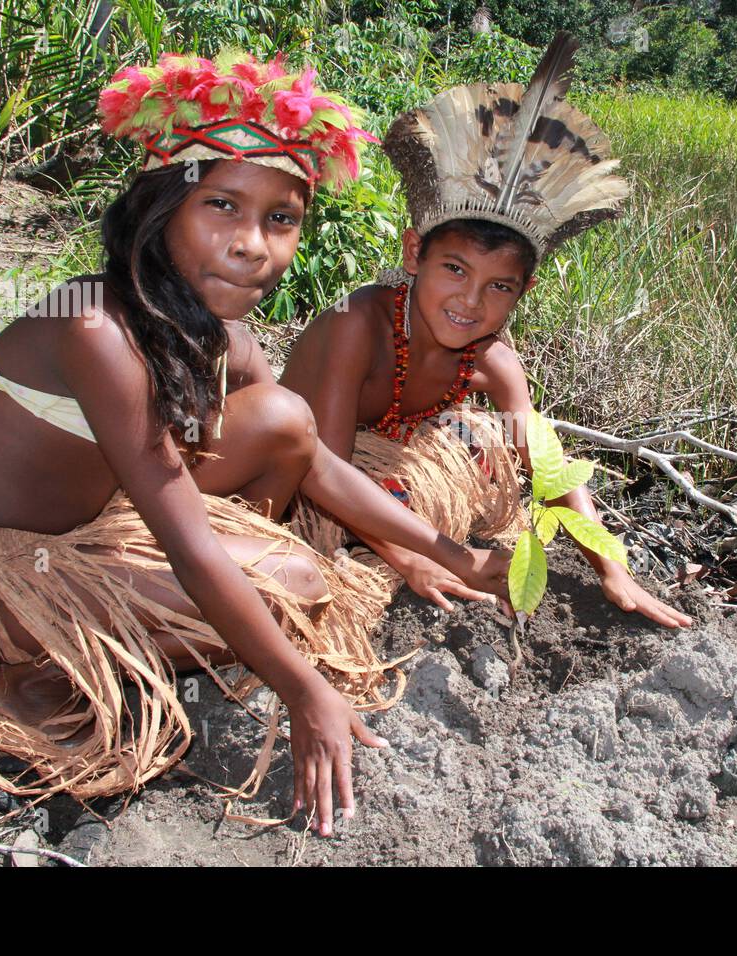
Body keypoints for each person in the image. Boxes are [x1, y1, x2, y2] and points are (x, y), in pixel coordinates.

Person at [0, 51, 508, 837]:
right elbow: (189, 543)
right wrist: (304, 691)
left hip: (86, 530)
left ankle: (183, 637)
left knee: (281, 420)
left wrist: (455, 555)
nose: (252, 243)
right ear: (159, 208)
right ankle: (24, 678)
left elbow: (317, 461)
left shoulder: (213, 328)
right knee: (289, 581)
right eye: (222, 205)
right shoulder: (93, 325)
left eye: (281, 219)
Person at [281, 34, 692, 629]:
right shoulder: (356, 325)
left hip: (390, 479)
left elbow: (547, 465)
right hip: (306, 481)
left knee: (485, 440)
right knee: (347, 521)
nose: (469, 302)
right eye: (454, 270)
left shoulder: (494, 361)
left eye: (498, 286)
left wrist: (611, 567)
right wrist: (412, 558)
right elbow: (327, 468)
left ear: (522, 292)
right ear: (414, 253)